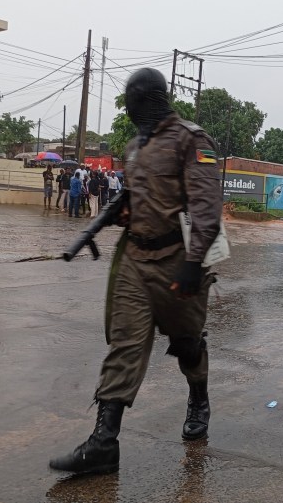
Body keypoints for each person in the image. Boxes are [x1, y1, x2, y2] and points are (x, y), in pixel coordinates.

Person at [49, 67, 223, 475]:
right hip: (135, 261)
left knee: (186, 343)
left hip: (178, 261)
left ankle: (199, 396)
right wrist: (105, 221)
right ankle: (103, 443)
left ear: (149, 99)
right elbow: (131, 198)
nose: (128, 109)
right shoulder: (135, 145)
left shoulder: (191, 139)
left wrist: (195, 263)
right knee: (125, 345)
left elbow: (205, 207)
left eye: (131, 101)